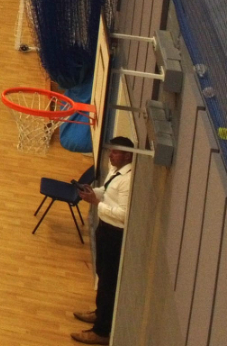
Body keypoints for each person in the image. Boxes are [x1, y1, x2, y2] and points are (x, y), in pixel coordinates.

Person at [70, 136, 135, 344]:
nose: (110, 155)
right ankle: (99, 313)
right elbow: (106, 193)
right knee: (101, 274)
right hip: (105, 229)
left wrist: (97, 204)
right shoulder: (116, 171)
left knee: (108, 282)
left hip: (115, 235)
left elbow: (124, 214)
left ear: (127, 155)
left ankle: (101, 331)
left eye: (115, 152)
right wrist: (92, 193)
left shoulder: (128, 180)